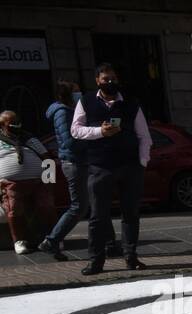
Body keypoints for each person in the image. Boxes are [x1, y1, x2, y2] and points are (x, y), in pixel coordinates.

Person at [71, 63, 150, 275]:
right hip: (100, 166)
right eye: (106, 79)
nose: (110, 82)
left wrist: (142, 162)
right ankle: (96, 261)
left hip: (130, 166)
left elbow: (144, 135)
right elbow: (75, 130)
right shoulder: (86, 101)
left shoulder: (131, 103)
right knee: (98, 215)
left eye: (113, 78)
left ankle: (131, 257)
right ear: (97, 80)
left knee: (130, 213)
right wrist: (100, 132)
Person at [38, 81, 102, 261]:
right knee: (79, 207)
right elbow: (71, 142)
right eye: (75, 91)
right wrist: (93, 137)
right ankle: (51, 241)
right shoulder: (63, 113)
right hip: (74, 163)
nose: (79, 93)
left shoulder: (70, 111)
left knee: (91, 204)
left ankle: (106, 242)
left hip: (79, 162)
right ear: (66, 94)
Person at [0, 111, 54, 255]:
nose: (15, 125)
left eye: (17, 121)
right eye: (11, 123)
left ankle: (52, 239)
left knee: (47, 204)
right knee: (14, 206)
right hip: (11, 183)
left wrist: (49, 181)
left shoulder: (30, 139)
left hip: (38, 182)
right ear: (2, 125)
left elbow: (47, 158)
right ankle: (19, 241)